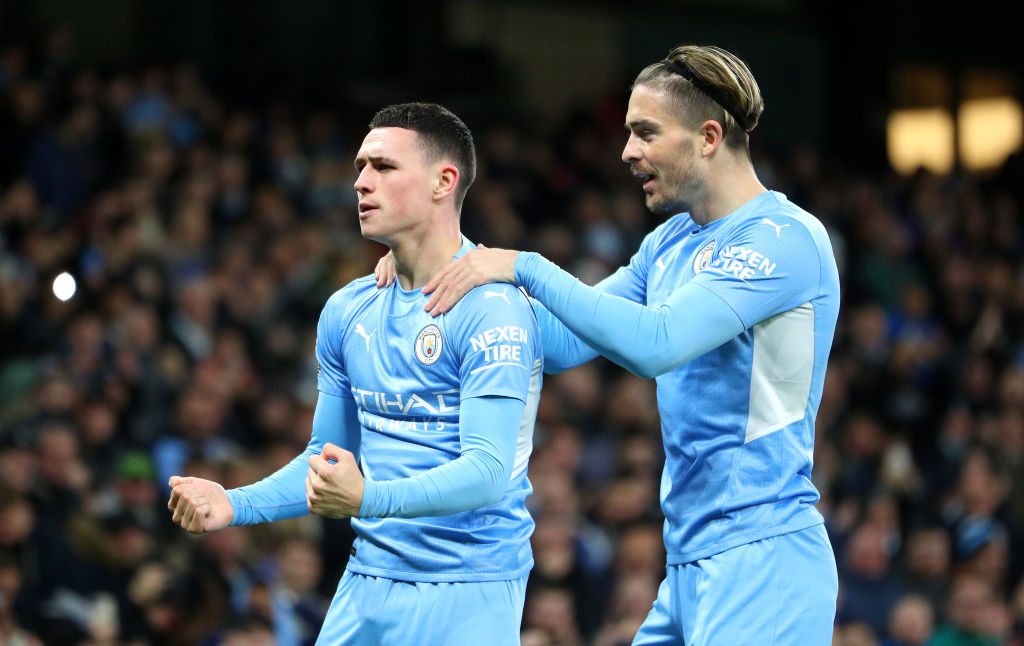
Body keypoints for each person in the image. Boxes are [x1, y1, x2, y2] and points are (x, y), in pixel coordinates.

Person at [381, 45, 842, 644]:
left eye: (645, 132)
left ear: (707, 136)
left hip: (765, 559)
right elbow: (559, 342)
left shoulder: (786, 239)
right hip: (689, 565)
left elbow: (658, 343)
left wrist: (525, 265)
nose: (628, 151)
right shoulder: (670, 242)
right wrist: (433, 273)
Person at [167, 102, 543, 645]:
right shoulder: (348, 310)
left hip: (467, 586)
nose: (362, 183)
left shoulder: (493, 309)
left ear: (444, 180)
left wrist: (367, 500)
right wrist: (236, 503)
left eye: (384, 167)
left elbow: (487, 472)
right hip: (365, 582)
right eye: (360, 167)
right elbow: (327, 459)